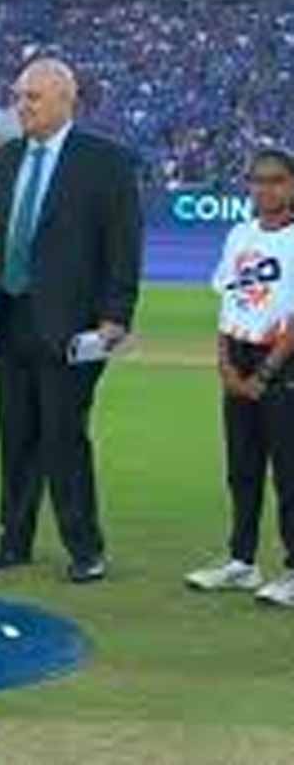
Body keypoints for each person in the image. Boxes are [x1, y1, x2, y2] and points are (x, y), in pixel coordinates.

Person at [0, 58, 142, 583]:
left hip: (73, 326)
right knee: (15, 437)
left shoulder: (105, 162)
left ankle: (85, 549)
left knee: (64, 438)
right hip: (10, 316)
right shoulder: (5, 159)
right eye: (19, 96)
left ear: (67, 100)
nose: (22, 106)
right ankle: (13, 541)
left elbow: (124, 244)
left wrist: (116, 316)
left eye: (33, 98)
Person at [185, 149, 294, 607]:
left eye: (276, 180)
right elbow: (229, 302)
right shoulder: (239, 235)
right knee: (242, 470)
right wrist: (226, 366)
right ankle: (242, 561)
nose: (265, 188)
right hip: (240, 354)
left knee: (288, 473)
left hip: (282, 362)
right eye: (257, 180)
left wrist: (265, 374)